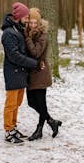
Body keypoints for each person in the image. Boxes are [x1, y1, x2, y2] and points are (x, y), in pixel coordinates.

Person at [0, 2, 41, 144]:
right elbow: (14, 56)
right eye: (26, 17)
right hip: (13, 72)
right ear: (19, 17)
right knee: (11, 103)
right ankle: (8, 131)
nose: (28, 19)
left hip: (20, 73)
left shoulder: (17, 30)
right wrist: (33, 64)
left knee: (17, 103)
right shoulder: (8, 33)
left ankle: (13, 127)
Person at [24, 8, 62, 141]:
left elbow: (35, 53)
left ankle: (39, 130)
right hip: (32, 73)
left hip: (40, 73)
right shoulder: (29, 33)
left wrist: (27, 39)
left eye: (35, 22)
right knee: (31, 102)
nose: (33, 25)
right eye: (31, 22)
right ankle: (52, 121)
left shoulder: (42, 35)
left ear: (39, 23)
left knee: (41, 103)